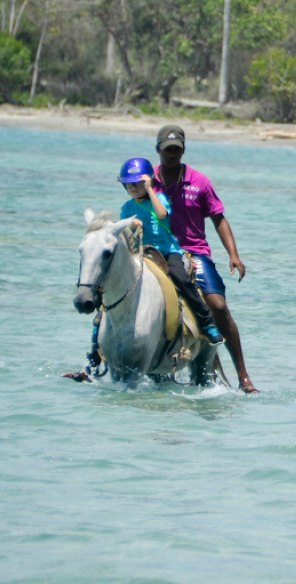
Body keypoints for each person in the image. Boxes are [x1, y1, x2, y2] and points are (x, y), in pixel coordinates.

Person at [152, 125, 257, 393]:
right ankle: (96, 357)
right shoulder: (147, 179)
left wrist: (233, 255)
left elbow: (219, 219)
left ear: (183, 150)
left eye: (176, 149)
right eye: (167, 150)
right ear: (158, 150)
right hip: (157, 250)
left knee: (218, 307)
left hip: (194, 252)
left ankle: (243, 377)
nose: (171, 154)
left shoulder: (200, 182)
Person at [118, 158, 224, 345]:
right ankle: (97, 340)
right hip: (141, 253)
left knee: (181, 278)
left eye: (138, 183)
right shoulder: (126, 208)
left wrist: (150, 189)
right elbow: (124, 231)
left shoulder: (159, 198)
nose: (133, 188)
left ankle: (207, 323)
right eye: (129, 184)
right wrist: (131, 224)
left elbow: (161, 214)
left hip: (166, 252)